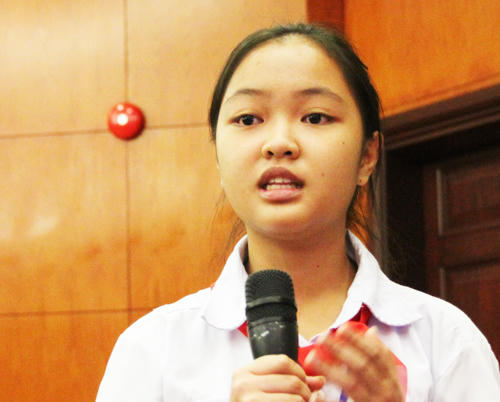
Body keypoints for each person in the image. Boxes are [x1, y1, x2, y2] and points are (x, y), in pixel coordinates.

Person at [96, 23, 500, 401]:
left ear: (367, 156)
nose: (279, 143)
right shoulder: (153, 349)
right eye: (248, 119)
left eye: (315, 117)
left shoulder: (445, 341)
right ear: (218, 156)